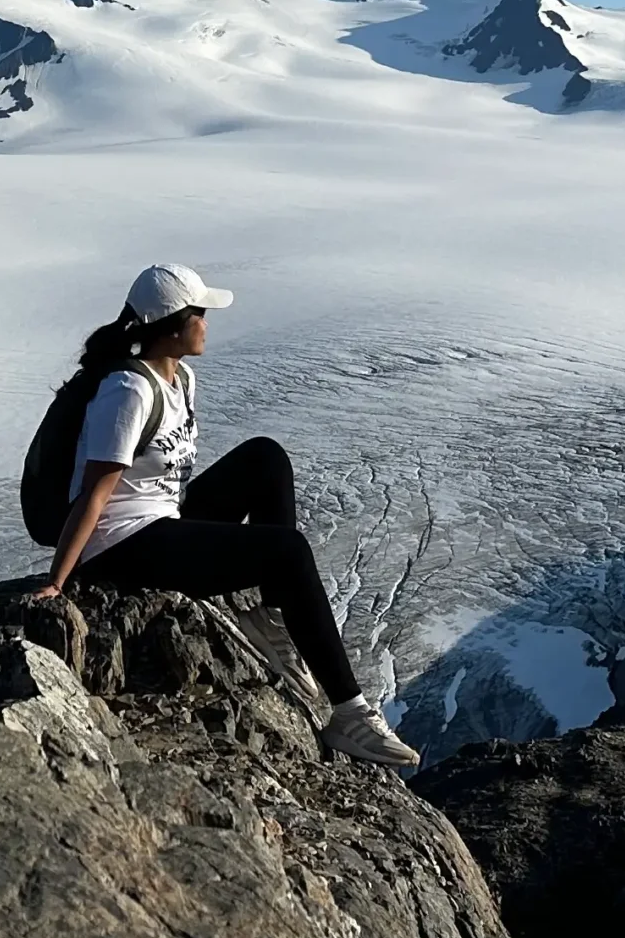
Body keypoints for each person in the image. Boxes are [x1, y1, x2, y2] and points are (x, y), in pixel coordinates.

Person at [32, 261, 418, 769]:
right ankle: (350, 713)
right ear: (174, 325)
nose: (207, 323)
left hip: (161, 518)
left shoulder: (180, 379)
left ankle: (271, 617)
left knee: (265, 457)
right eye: (200, 313)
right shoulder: (129, 391)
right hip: (119, 545)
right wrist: (60, 581)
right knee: (287, 551)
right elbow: (96, 493)